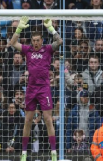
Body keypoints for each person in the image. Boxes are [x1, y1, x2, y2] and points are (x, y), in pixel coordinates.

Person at [10, 16, 63, 161]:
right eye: (33, 41)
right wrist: (19, 28)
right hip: (31, 89)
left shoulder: (47, 49)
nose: (36, 43)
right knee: (27, 120)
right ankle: (24, 152)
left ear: (42, 40)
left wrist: (51, 29)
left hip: (44, 89)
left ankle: (53, 152)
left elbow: (60, 41)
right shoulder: (27, 50)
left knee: (47, 119)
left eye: (38, 40)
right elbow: (12, 42)